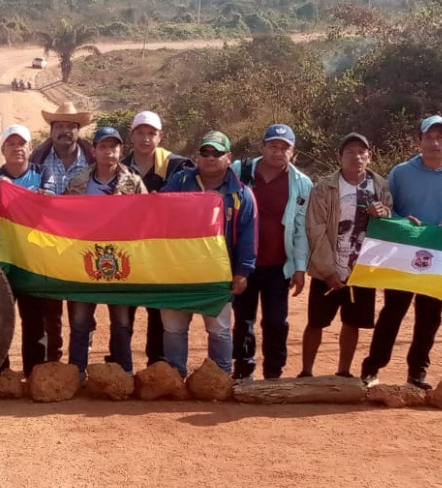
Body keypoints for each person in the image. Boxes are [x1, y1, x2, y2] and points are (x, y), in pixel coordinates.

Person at [360, 115, 442, 389]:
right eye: (429, 137)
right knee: (393, 310)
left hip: (439, 257)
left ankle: (417, 374)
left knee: (430, 316)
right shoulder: (401, 172)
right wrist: (403, 220)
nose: (435, 142)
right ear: (419, 141)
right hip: (403, 253)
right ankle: (371, 369)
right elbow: (389, 208)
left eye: (440, 137)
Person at [159, 131, 257, 377]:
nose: (210, 157)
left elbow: (249, 235)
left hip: (218, 274)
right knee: (173, 329)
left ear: (229, 157)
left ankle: (220, 378)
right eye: (205, 152)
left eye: (217, 153)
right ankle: (174, 376)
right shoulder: (180, 182)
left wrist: (243, 272)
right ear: (198, 156)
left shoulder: (241, 194)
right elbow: (158, 209)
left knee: (219, 330)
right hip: (177, 271)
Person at [300, 133, 393, 378]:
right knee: (316, 322)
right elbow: (316, 228)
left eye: (362, 152)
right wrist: (328, 270)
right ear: (339, 156)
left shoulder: (380, 186)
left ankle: (343, 372)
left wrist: (384, 213)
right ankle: (306, 372)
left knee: (352, 322)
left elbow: (389, 224)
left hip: (361, 270)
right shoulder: (324, 187)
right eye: (350, 152)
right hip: (327, 268)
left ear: (369, 157)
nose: (357, 157)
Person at [229, 124, 313, 380]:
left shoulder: (302, 184)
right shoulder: (239, 171)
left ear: (293, 152)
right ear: (262, 147)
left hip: (279, 265)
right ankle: (243, 371)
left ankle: (273, 374)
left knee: (276, 322)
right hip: (243, 264)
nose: (278, 152)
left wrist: (299, 268)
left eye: (284, 147)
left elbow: (301, 229)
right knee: (243, 320)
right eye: (273, 146)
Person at [64, 126, 148, 376]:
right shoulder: (78, 182)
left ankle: (122, 373)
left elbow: (146, 220)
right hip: (83, 261)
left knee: (122, 322)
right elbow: (64, 217)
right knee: (79, 321)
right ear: (94, 150)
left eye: (114, 147)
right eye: (103, 147)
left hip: (121, 263)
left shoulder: (133, 182)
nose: (109, 152)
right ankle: (75, 374)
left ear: (121, 151)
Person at [120, 110, 193, 367]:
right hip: (128, 250)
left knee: (157, 309)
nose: (145, 138)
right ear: (131, 136)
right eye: (140, 132)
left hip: (163, 253)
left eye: (151, 133)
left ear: (160, 137)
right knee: (123, 309)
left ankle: (158, 364)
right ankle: (121, 365)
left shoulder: (179, 167)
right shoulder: (119, 167)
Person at [0, 124, 46, 376]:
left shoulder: (43, 175)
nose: (17, 148)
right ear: (3, 150)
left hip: (32, 261)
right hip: (0, 261)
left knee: (35, 319)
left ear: (30, 148)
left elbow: (49, 213)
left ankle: (35, 372)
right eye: (11, 144)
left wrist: (15, 192)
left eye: (21, 144)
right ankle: (0, 373)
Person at [31, 102, 96, 364]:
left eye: (71, 126)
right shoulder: (36, 161)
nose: (65, 132)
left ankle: (80, 363)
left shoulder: (95, 161)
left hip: (84, 245)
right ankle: (53, 361)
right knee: (50, 307)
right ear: (51, 130)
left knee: (82, 306)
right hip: (46, 245)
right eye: (59, 126)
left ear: (79, 131)